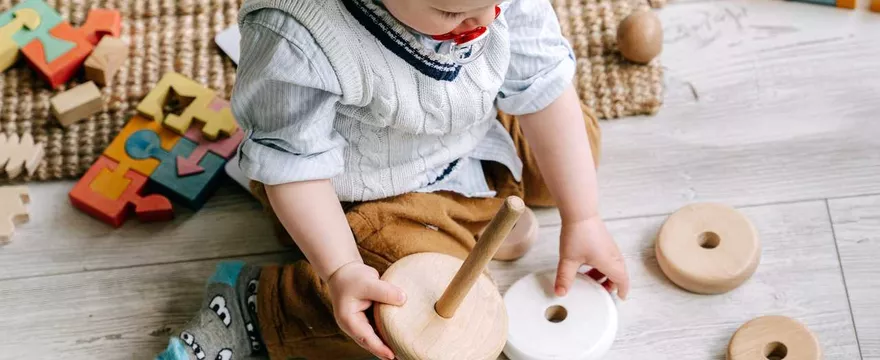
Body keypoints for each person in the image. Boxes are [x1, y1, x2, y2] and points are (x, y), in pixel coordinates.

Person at [157, 0, 630, 359]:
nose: (483, 21)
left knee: (577, 142)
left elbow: (542, 83)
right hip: (363, 191)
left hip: (470, 135)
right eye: (452, 11)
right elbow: (292, 165)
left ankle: (482, 209)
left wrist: (583, 216)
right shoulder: (296, 34)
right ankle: (264, 307)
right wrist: (341, 270)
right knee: (407, 315)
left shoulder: (485, 6)